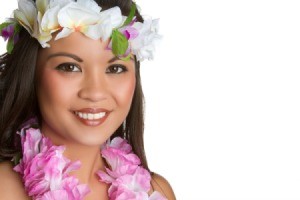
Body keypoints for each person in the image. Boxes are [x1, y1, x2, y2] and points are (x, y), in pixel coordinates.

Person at [0, 0, 176, 199]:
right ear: (31, 74)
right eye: (69, 67)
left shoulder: (156, 192)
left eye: (115, 68)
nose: (95, 92)